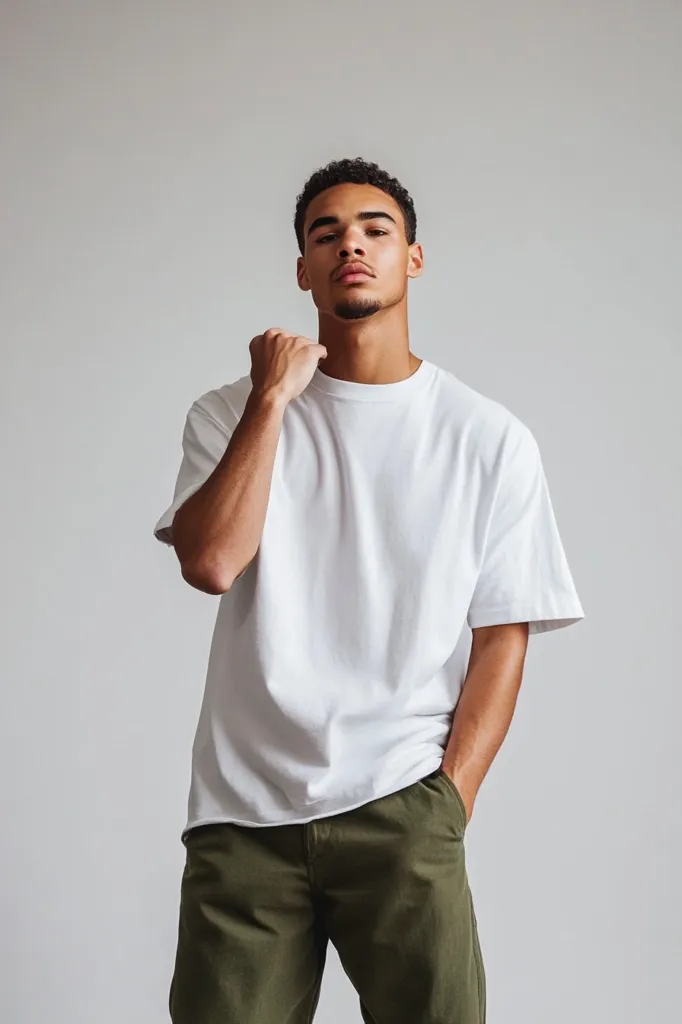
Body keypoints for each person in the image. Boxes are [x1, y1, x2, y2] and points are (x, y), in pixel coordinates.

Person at [153, 156, 585, 1023]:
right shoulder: (229, 413)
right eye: (327, 234)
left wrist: (448, 802)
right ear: (303, 270)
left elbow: (504, 634)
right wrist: (272, 400)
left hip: (403, 805)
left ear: (412, 258)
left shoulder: (487, 438)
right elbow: (211, 562)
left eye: (375, 230)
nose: (351, 244)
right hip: (244, 817)